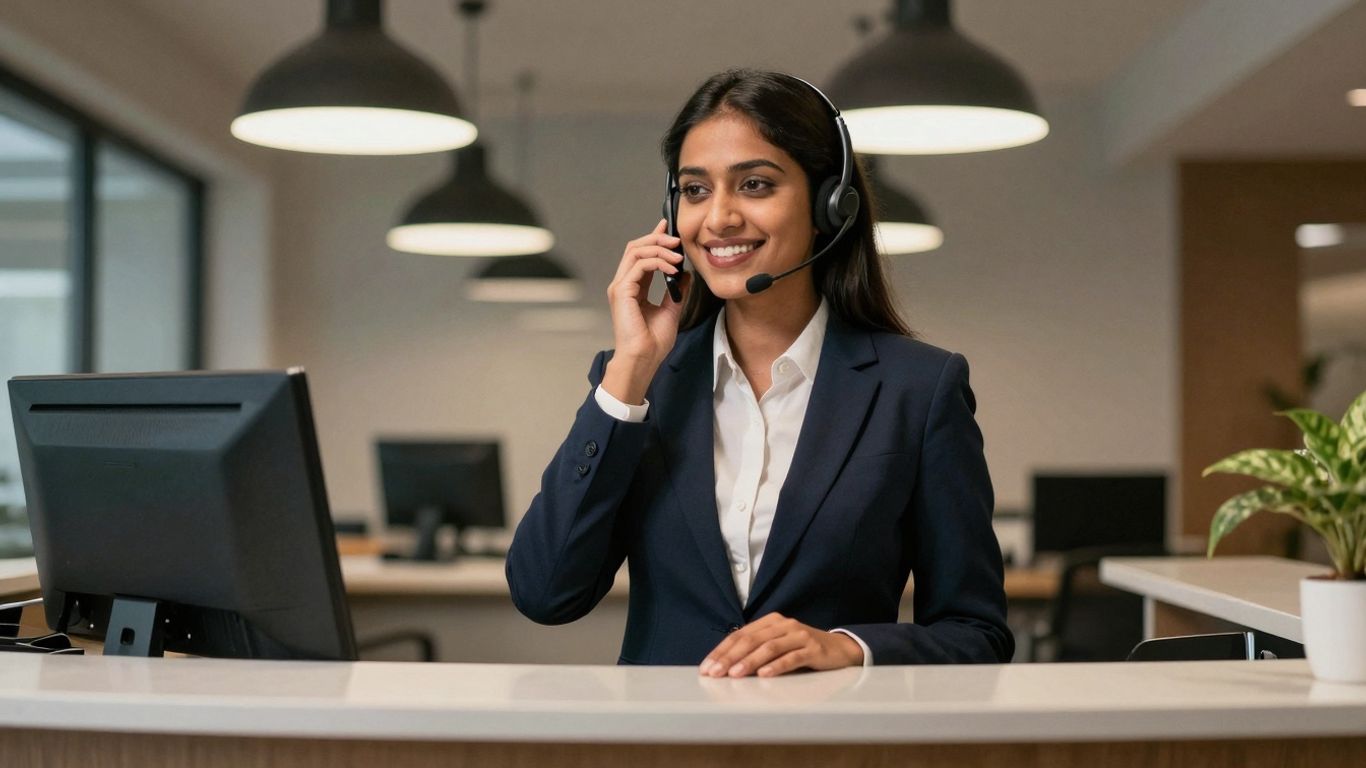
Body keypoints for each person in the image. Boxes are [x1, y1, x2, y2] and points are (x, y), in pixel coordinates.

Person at [506, 69, 1012, 677]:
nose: (718, 217)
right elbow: (545, 592)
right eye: (695, 191)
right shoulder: (642, 382)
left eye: (754, 184)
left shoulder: (919, 390)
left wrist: (848, 646)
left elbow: (976, 633)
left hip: (831, 741)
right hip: (665, 740)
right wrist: (631, 371)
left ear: (831, 204)